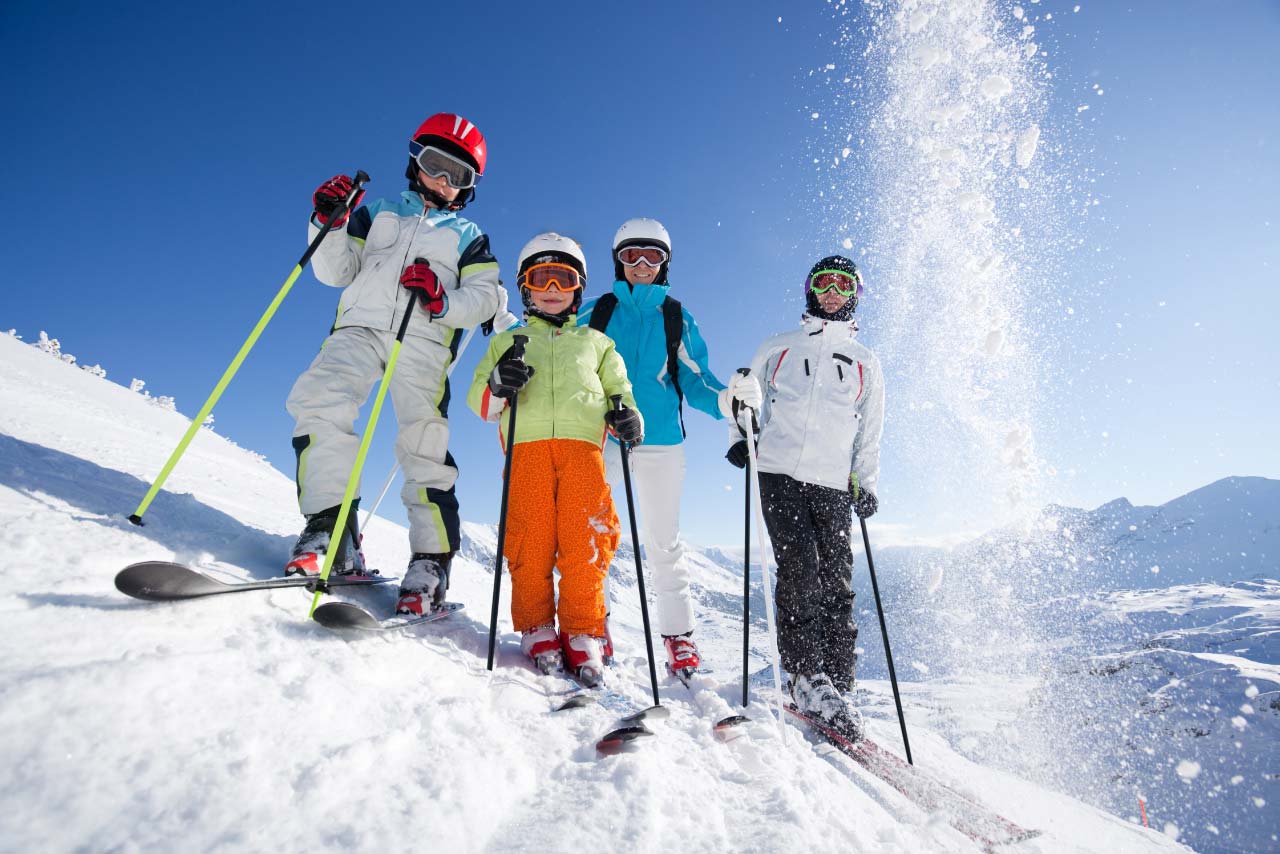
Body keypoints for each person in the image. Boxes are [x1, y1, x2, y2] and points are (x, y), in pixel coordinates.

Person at [284, 112, 504, 619]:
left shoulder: (468, 235)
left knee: (423, 442)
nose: (444, 182)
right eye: (435, 165)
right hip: (359, 328)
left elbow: (486, 297)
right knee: (320, 401)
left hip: (424, 341)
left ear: (469, 188)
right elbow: (334, 270)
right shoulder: (378, 211)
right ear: (414, 161)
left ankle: (431, 561)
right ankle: (330, 528)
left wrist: (442, 300)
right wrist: (329, 221)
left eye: (459, 176)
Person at [577, 218, 761, 676]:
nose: (641, 265)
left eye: (652, 256)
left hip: (661, 442)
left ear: (665, 264)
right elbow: (569, 365)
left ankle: (679, 637)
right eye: (630, 255)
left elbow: (697, 381)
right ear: (617, 262)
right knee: (593, 534)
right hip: (605, 438)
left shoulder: (677, 317)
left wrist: (728, 402)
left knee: (664, 541)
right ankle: (591, 622)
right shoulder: (597, 311)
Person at [468, 233, 642, 686]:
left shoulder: (597, 343)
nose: (551, 287)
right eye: (540, 277)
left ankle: (584, 630)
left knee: (587, 539)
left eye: (562, 278)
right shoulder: (508, 340)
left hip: (583, 452)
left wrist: (627, 417)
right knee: (530, 538)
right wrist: (500, 386)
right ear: (525, 287)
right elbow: (480, 402)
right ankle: (537, 627)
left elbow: (619, 390)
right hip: (526, 452)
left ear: (577, 288)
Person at [727, 254, 884, 740]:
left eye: (842, 283)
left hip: (834, 481)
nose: (832, 291)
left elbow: (871, 431)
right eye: (823, 282)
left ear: (854, 293)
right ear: (809, 290)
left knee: (838, 578)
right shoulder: (778, 348)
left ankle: (840, 679)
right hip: (778, 471)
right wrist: (739, 436)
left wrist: (867, 482)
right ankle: (805, 676)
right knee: (800, 568)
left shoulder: (865, 362)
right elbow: (744, 398)